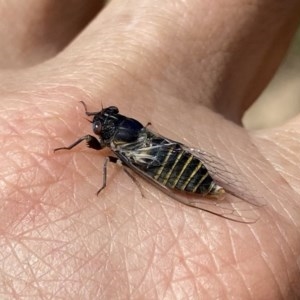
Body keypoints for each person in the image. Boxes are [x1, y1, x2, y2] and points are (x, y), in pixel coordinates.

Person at [0, 1, 299, 298]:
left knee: (112, 164)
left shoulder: (113, 149)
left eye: (104, 121)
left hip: (154, 163)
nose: (99, 122)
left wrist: (91, 162)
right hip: (155, 147)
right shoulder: (129, 130)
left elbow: (111, 160)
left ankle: (208, 186)